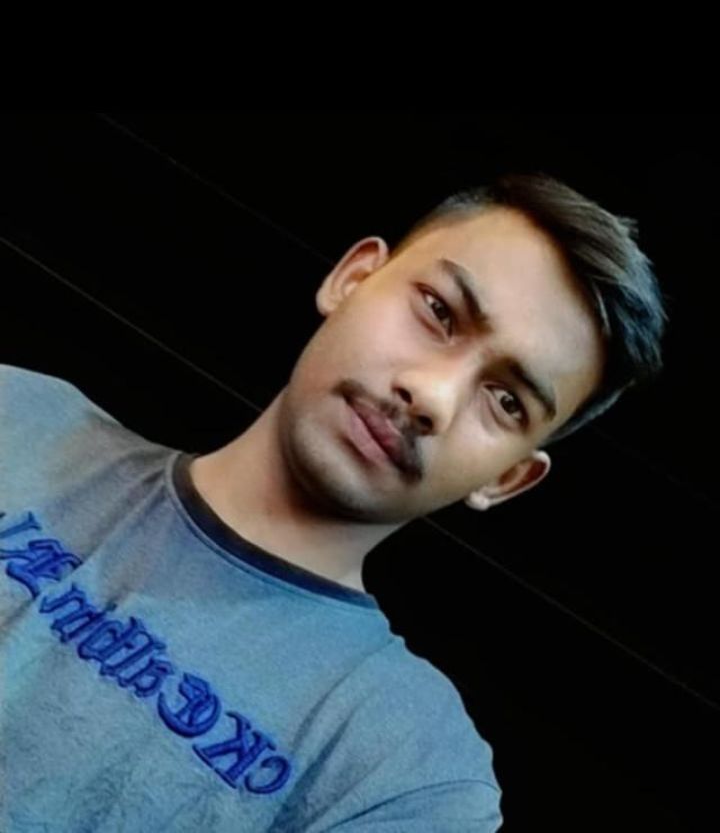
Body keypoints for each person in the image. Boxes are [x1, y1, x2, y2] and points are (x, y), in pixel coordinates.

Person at [0, 171, 667, 831]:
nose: (432, 397)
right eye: (439, 311)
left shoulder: (409, 773)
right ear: (352, 277)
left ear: (507, 477)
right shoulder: (17, 413)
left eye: (506, 401)